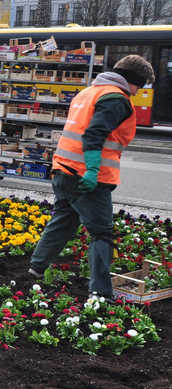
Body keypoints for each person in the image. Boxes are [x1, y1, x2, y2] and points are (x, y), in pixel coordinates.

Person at [29, 54, 155, 302]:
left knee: (64, 220)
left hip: (63, 170)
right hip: (86, 178)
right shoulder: (116, 98)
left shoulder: (88, 92)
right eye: (139, 86)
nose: (138, 92)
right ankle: (100, 291)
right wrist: (93, 170)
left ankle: (36, 267)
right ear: (132, 81)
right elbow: (93, 134)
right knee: (101, 233)